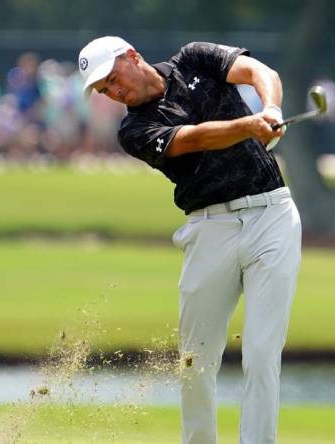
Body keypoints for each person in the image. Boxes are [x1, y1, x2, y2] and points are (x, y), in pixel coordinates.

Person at [78, 36, 302, 444]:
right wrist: (247, 127)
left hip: (273, 214)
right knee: (195, 360)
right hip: (209, 227)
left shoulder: (194, 59)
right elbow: (194, 138)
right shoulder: (135, 130)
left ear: (133, 57)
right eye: (104, 89)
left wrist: (270, 108)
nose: (113, 91)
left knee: (261, 353)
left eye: (112, 78)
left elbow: (258, 73)